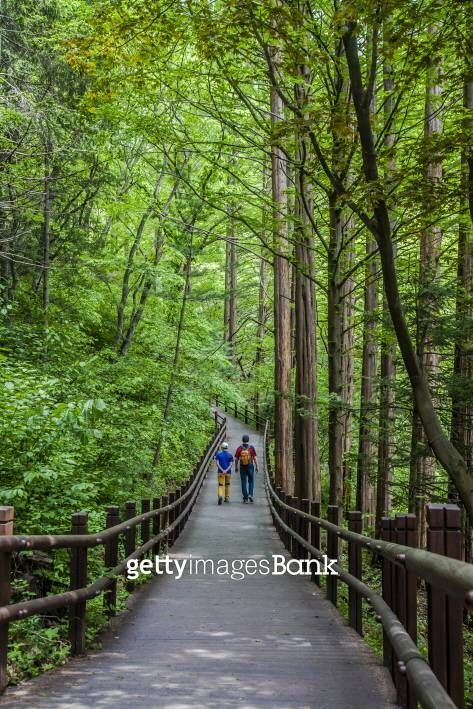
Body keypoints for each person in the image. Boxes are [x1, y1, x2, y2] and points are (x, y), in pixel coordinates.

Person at [235, 434, 258, 503]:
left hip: (242, 467)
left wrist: (236, 467)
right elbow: (255, 458)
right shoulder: (251, 448)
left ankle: (245, 498)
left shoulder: (239, 448)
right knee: (251, 481)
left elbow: (236, 459)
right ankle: (250, 494)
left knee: (243, 481)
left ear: (242, 440)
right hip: (250, 466)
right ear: (248, 440)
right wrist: (257, 466)